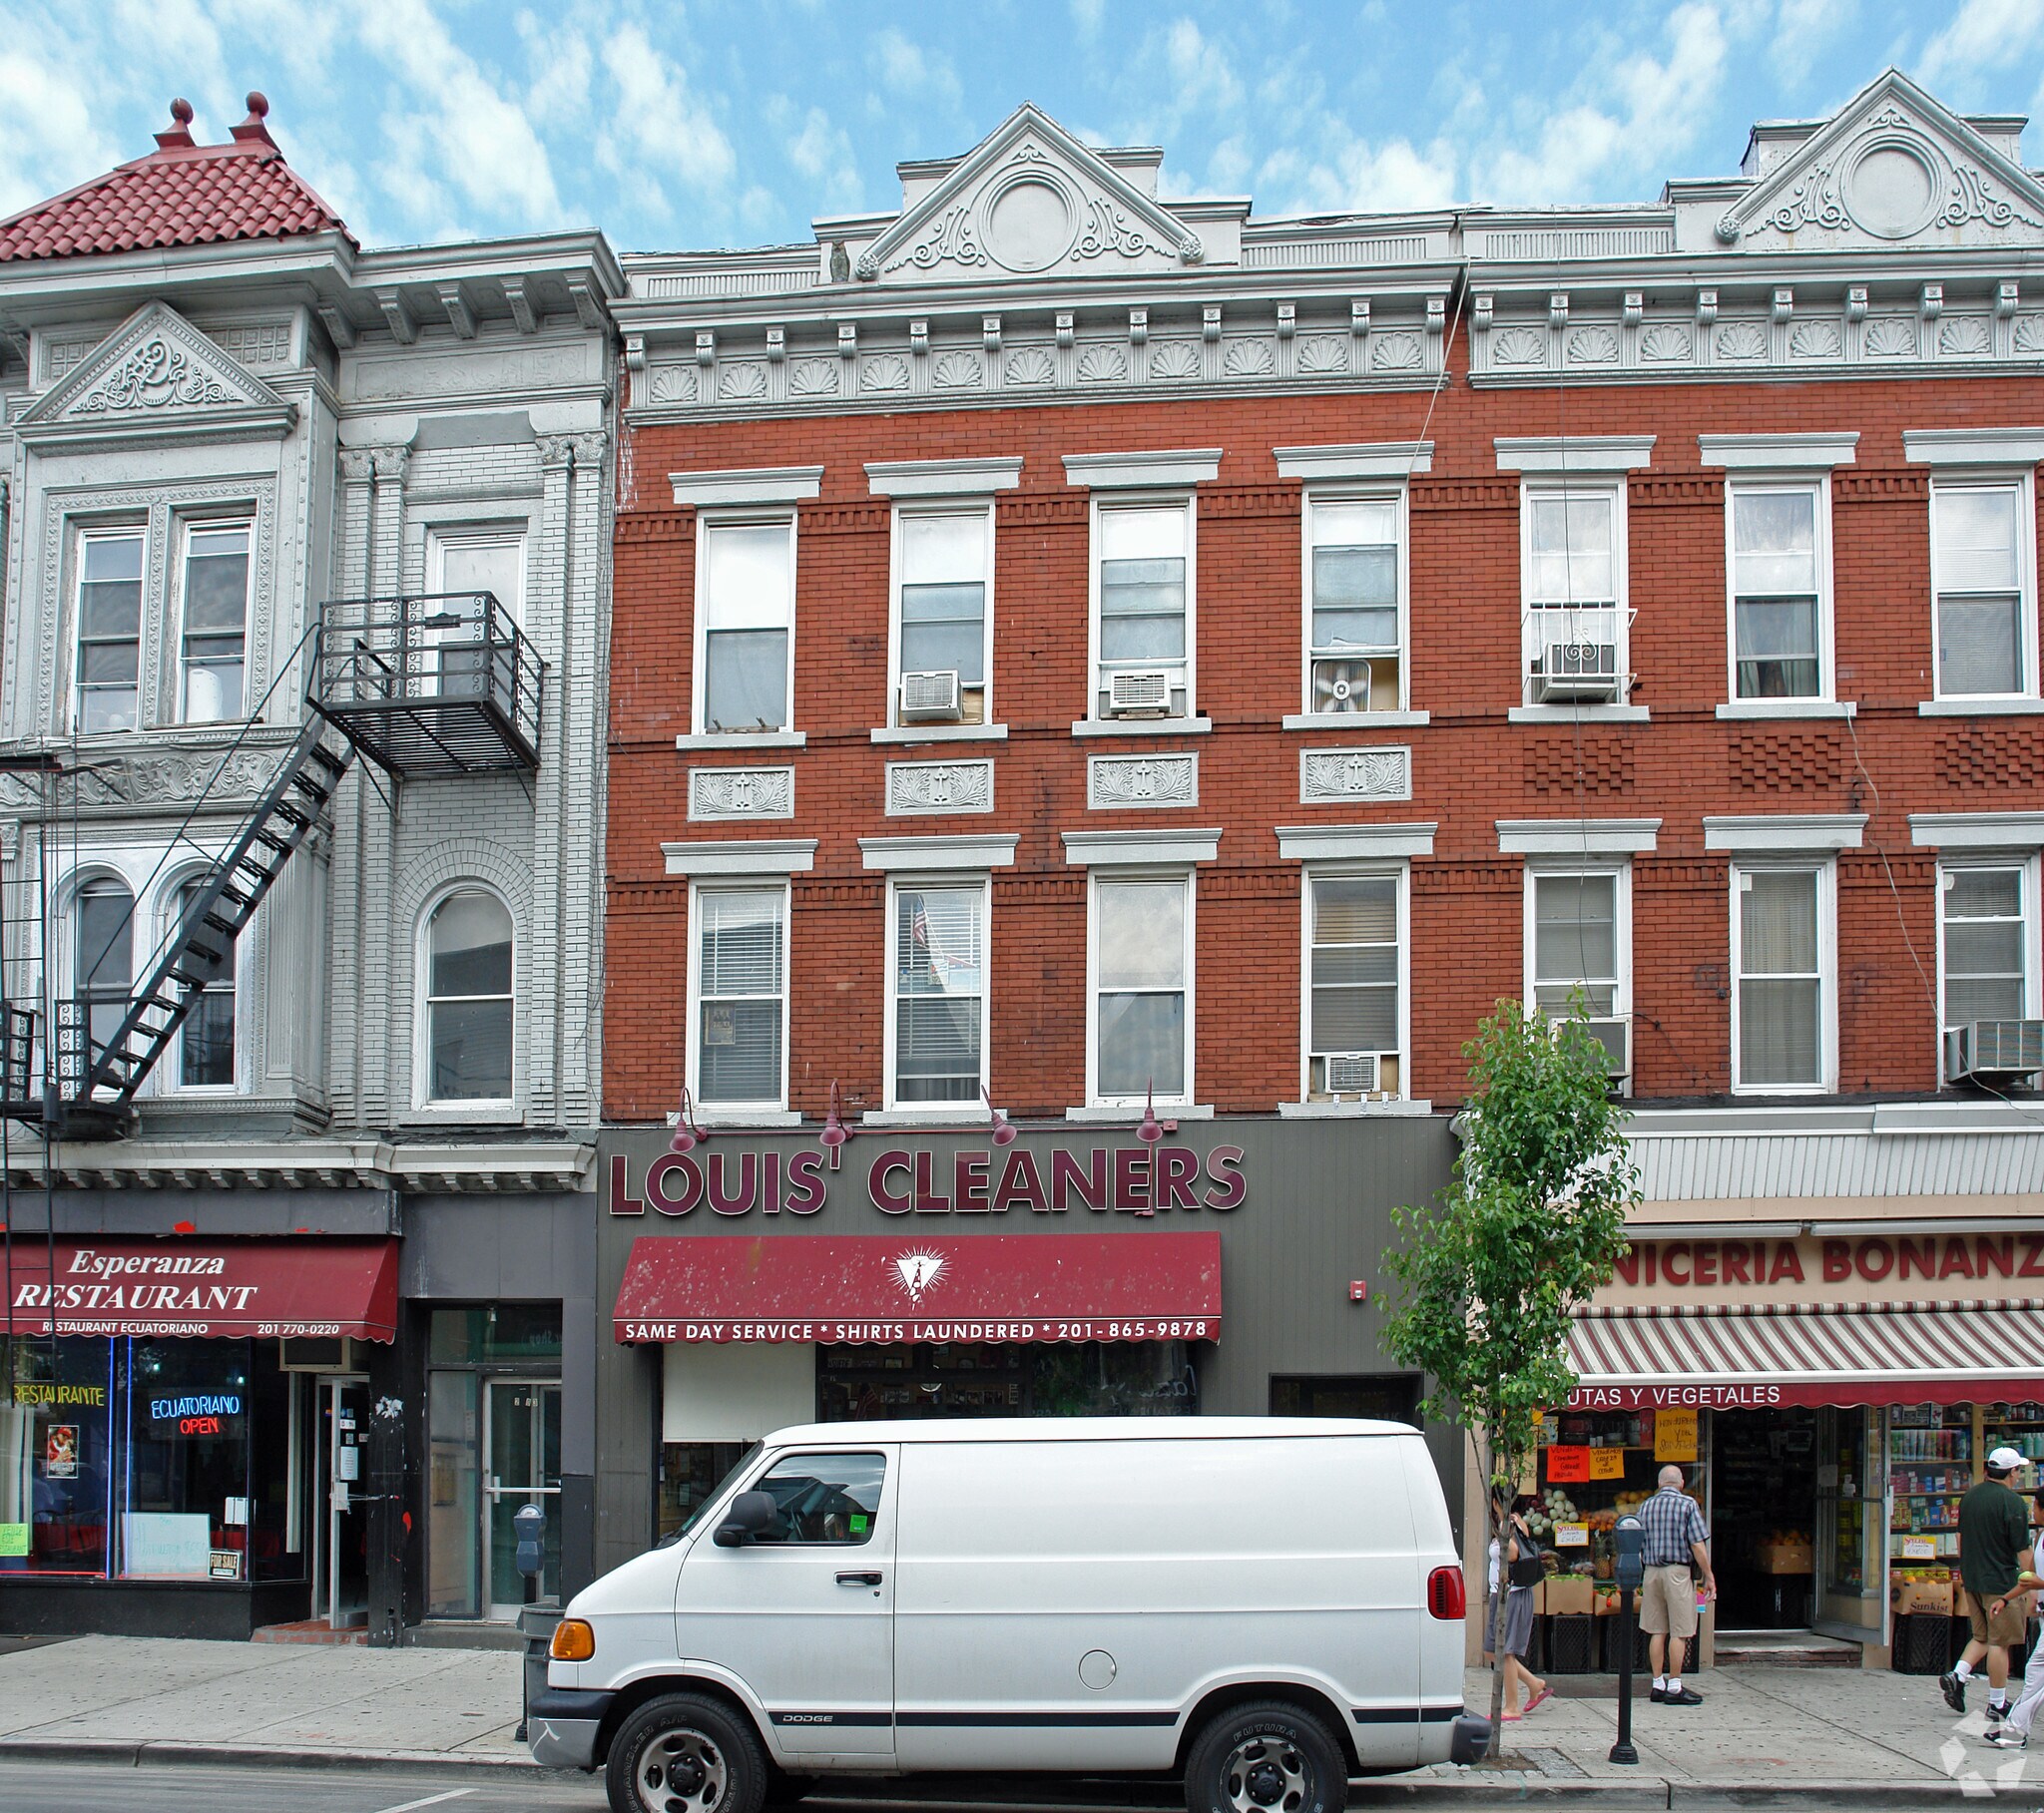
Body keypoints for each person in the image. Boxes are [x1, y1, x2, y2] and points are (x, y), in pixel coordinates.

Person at [1943, 1448, 2037, 1729]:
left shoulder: (1970, 1496)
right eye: (2018, 1470)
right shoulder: (2013, 1503)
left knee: (1982, 1635)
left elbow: (1959, 1536)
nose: (2019, 1475)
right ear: (2011, 1473)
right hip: (2002, 1583)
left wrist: (1965, 1568)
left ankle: (1958, 1675)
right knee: (2000, 1643)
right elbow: (2022, 1551)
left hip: (1972, 1577)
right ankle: (1997, 1703)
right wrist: (2032, 1585)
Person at [1639, 1463, 1716, 1706]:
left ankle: (1657, 1684)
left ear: (1659, 1483)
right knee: (1679, 1631)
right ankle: (1675, 1686)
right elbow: (1697, 1545)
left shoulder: (1645, 1506)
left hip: (1651, 1572)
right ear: (1681, 1483)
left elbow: (1638, 1543)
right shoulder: (1688, 1504)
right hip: (1677, 1572)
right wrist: (1709, 1574)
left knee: (1657, 1630)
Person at [1981, 1496, 2044, 1750]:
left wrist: (2040, 1585)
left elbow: (2036, 1581)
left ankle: (2015, 1730)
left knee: (2037, 1674)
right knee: (2035, 1674)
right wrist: (2006, 1599)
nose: (2032, 1512)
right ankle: (2015, 1730)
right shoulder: (2040, 1538)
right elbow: (2028, 1576)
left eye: (2035, 1507)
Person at [1499, 1495, 1553, 1720]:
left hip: (1512, 1594)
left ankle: (1511, 1707)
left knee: (1506, 1652)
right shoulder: (1515, 1521)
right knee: (1493, 1650)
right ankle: (1534, 1683)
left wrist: (1501, 1534)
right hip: (1505, 1594)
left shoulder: (1508, 1523)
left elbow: (1513, 1553)